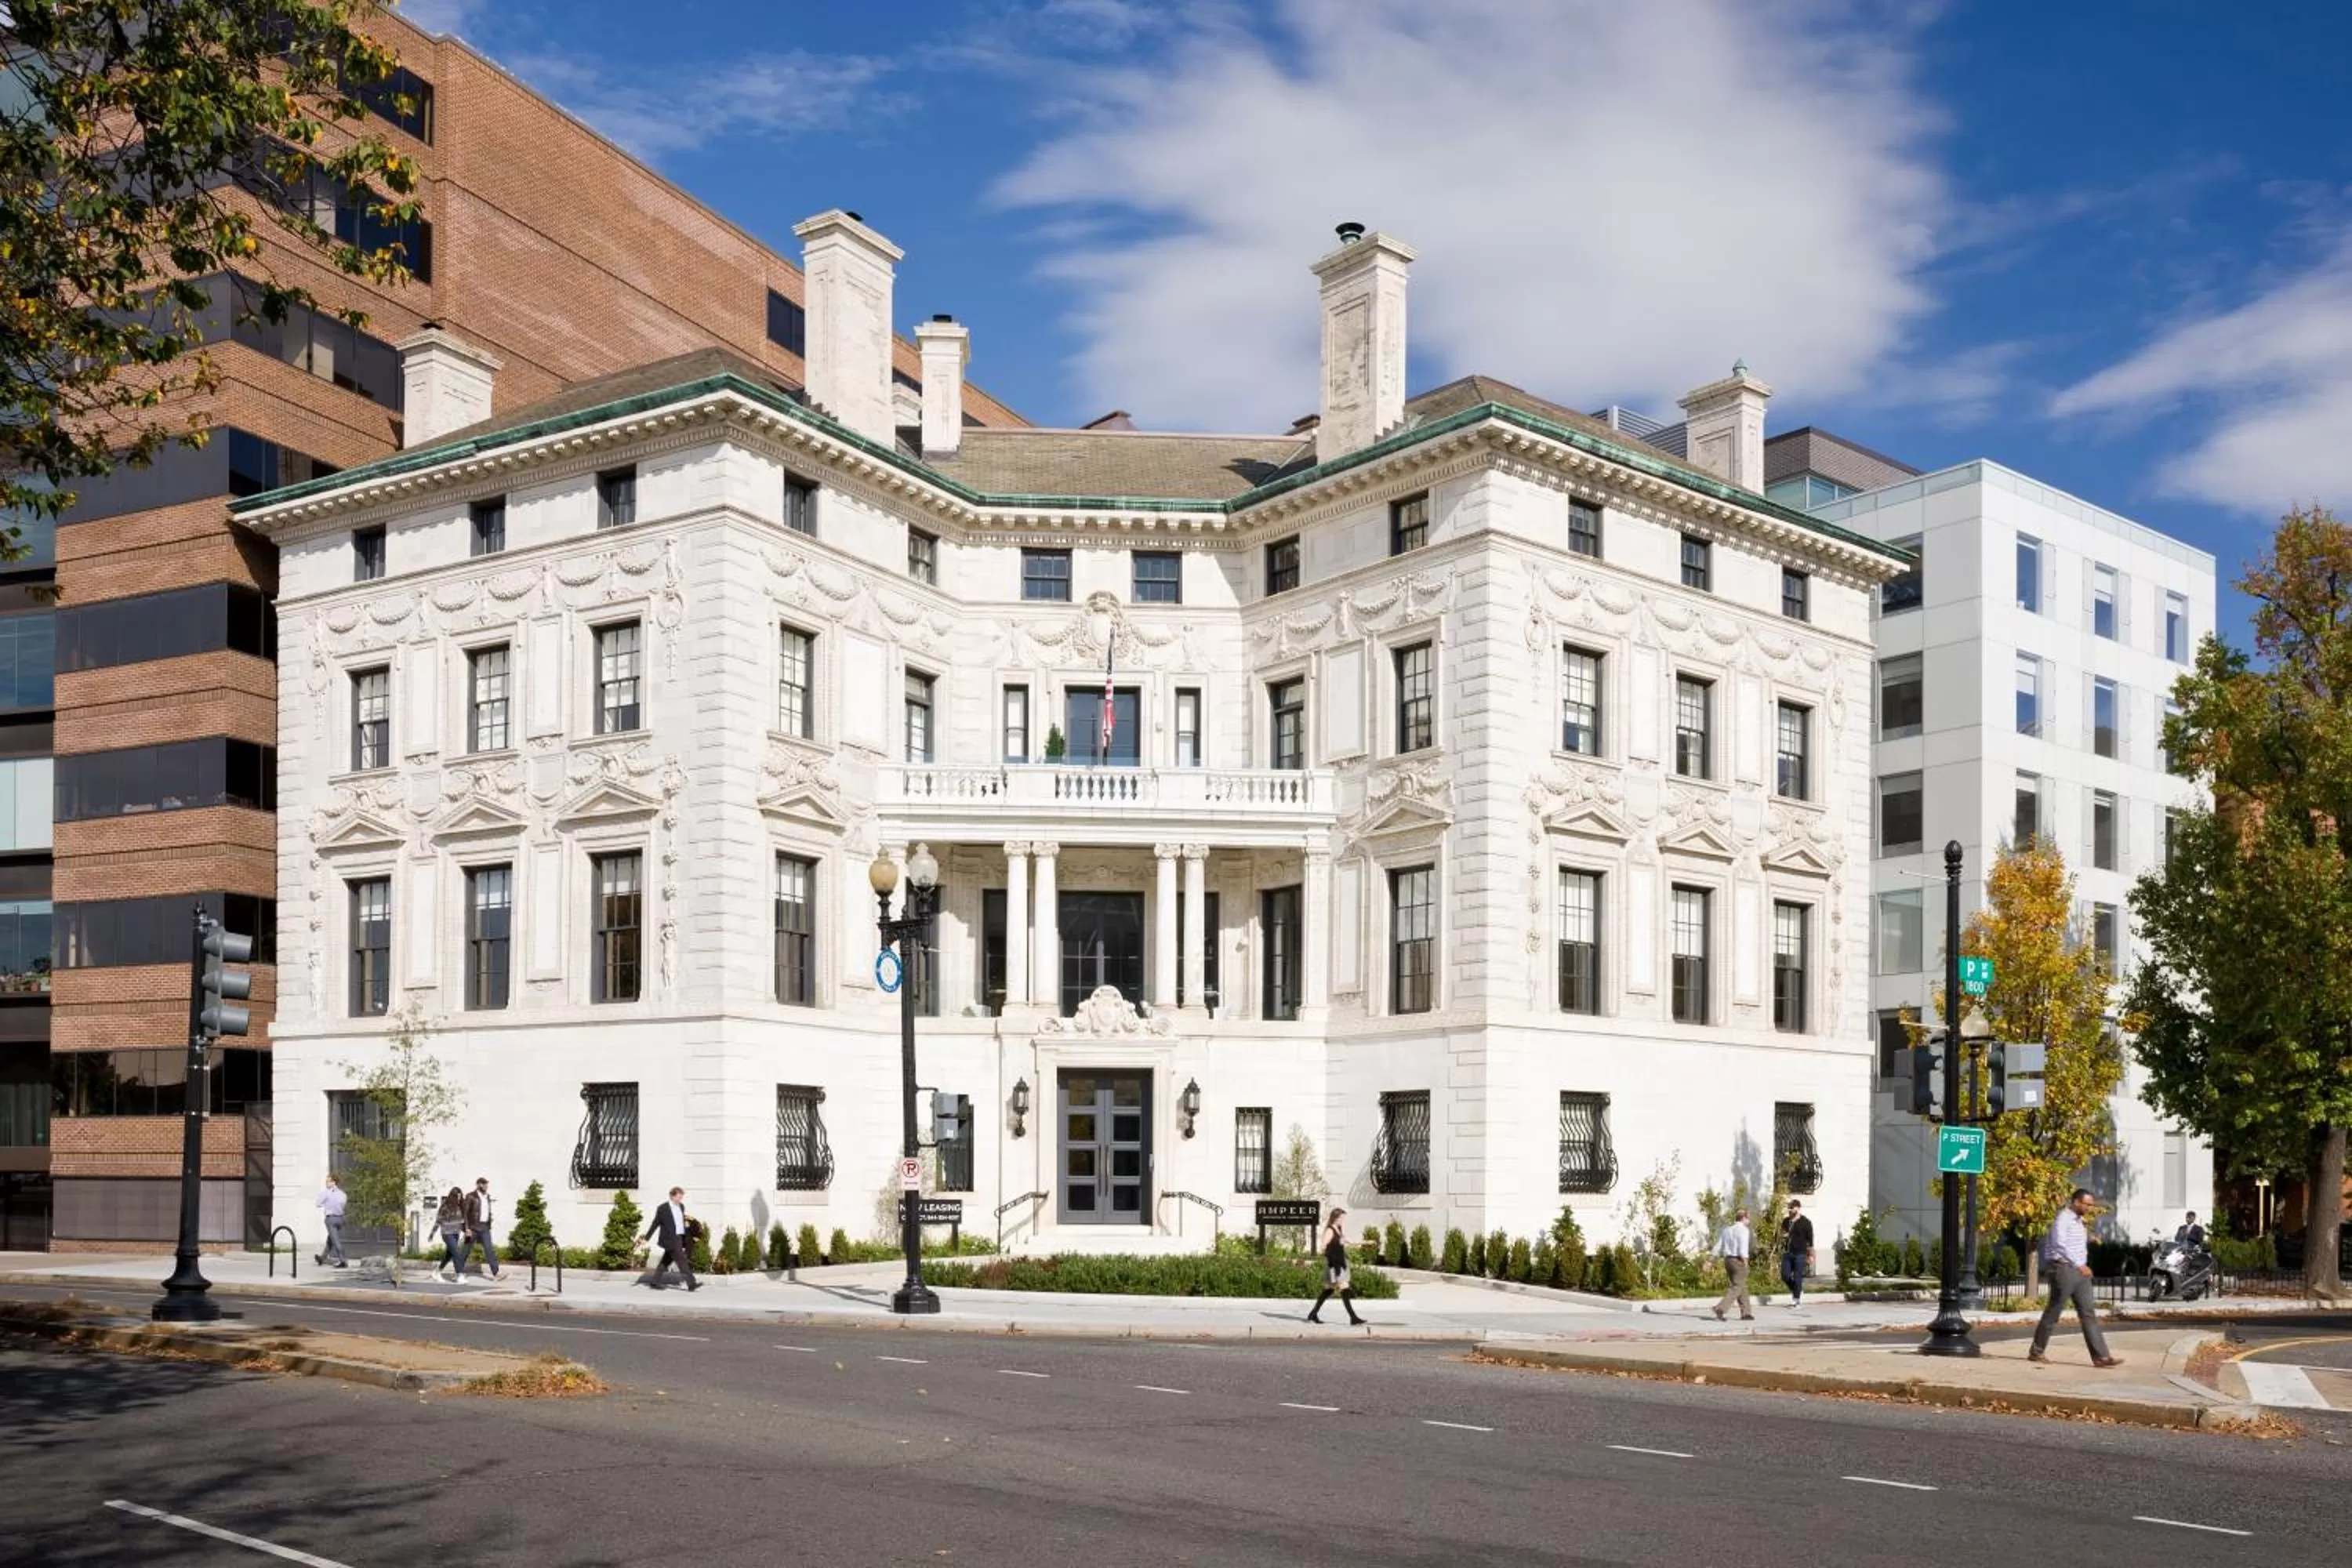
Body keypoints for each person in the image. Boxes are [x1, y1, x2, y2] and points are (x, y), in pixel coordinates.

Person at [2031, 1187, 2121, 1368]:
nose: (2089, 1208)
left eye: (2091, 1205)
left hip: (2080, 1272)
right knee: (2054, 1311)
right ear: (2076, 1202)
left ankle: (2101, 1357)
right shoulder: (2063, 1218)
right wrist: (2079, 1264)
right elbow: (2058, 1244)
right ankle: (2036, 1351)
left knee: (2088, 1313)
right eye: (2087, 1204)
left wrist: (2082, 1266)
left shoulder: (2079, 1221)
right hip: (2063, 1268)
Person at [1306, 1206, 1365, 1326]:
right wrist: (1333, 1250)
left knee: (1329, 1289)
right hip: (1333, 1264)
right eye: (1342, 1218)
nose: (1343, 1220)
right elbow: (1323, 1246)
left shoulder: (1339, 1229)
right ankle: (1353, 1318)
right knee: (1344, 1287)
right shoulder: (1330, 1230)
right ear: (1336, 1218)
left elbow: (1348, 1241)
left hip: (1339, 1262)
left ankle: (1313, 1313)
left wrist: (1365, 1242)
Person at [641, 1186, 701, 1291]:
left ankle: (655, 1281)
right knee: (681, 1260)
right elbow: (655, 1224)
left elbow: (680, 1222)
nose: (680, 1199)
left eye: (681, 1197)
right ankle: (692, 1283)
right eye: (678, 1197)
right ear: (672, 1196)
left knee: (666, 1260)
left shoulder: (681, 1206)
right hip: (669, 1239)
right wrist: (646, 1238)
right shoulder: (663, 1209)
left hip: (679, 1237)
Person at [1712, 1207, 1753, 1321]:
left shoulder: (1727, 1230)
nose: (1749, 1221)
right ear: (1744, 1218)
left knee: (1741, 1285)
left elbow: (1718, 1246)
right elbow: (1743, 1249)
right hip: (1738, 1260)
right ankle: (1720, 1308)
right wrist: (1746, 1263)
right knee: (1737, 1286)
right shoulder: (1744, 1230)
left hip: (1728, 1261)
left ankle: (1746, 1313)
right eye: (1748, 1218)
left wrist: (1711, 1259)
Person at [461, 1176, 503, 1281]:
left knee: (489, 1250)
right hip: (473, 1228)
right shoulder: (471, 1196)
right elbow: (465, 1214)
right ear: (478, 1184)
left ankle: (496, 1273)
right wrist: (467, 1228)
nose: (486, 1186)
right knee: (465, 1251)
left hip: (484, 1228)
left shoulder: (487, 1197)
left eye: (486, 1184)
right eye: (483, 1184)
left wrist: (489, 1220)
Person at [1777, 1200, 1815, 1308]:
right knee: (1785, 1275)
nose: (1790, 1210)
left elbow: (1811, 1241)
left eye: (1792, 1208)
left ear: (1798, 1208)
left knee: (1798, 1276)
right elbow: (1781, 1233)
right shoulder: (1786, 1221)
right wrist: (1783, 1235)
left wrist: (1811, 1255)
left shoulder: (1806, 1222)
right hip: (1788, 1253)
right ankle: (1796, 1289)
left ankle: (1796, 1300)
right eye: (1789, 1208)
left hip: (1800, 1253)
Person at [314, 1175, 348, 1269]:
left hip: (331, 1219)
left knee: (335, 1241)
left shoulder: (326, 1193)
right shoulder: (343, 1194)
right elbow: (343, 1205)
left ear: (334, 1182)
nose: (326, 1183)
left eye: (328, 1182)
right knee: (331, 1240)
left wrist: (326, 1204)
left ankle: (343, 1261)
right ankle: (322, 1258)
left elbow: (317, 1204)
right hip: (340, 1219)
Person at [434, 1187, 468, 1281]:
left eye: (460, 1197)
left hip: (455, 1234)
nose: (459, 1199)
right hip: (447, 1234)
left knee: (449, 1255)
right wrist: (432, 1234)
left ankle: (437, 1272)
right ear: (452, 1197)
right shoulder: (445, 1207)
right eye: (457, 1197)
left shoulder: (460, 1207)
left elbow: (461, 1222)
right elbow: (438, 1221)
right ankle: (459, 1275)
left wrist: (466, 1231)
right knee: (457, 1253)